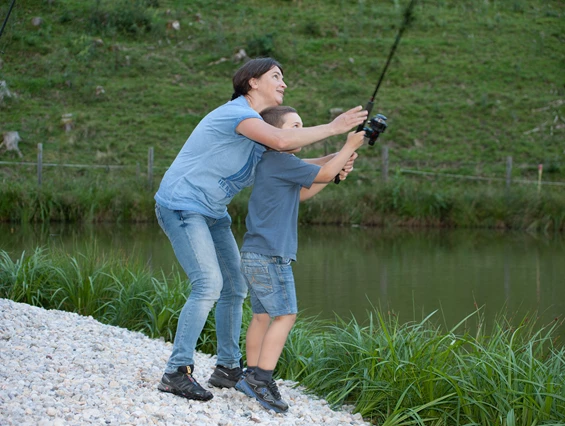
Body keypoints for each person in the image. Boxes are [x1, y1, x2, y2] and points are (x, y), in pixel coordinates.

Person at [154, 57, 367, 401]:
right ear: (252, 82)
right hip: (182, 205)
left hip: (213, 211)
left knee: (235, 287)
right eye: (276, 77)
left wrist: (335, 159)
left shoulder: (259, 137)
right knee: (209, 283)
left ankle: (226, 368)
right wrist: (335, 128)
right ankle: (176, 372)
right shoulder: (238, 114)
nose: (284, 83)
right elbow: (283, 144)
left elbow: (289, 164)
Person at [235, 106, 366, 413]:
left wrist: (337, 163)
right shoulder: (282, 160)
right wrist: (346, 149)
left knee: (262, 316)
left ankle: (250, 373)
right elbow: (321, 172)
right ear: (276, 135)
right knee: (286, 315)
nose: (300, 131)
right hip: (271, 255)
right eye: (294, 126)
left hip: (254, 252)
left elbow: (305, 190)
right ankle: (261, 379)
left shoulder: (273, 162)